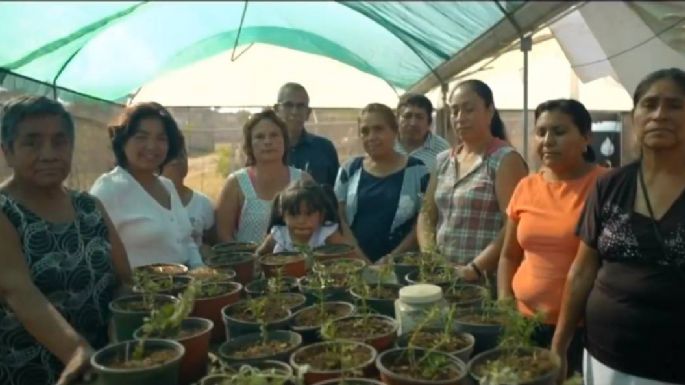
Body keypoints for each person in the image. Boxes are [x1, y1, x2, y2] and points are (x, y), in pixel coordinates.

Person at [552, 68, 685, 385]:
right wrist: (559, 344)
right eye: (649, 104)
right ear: (634, 117)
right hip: (605, 357)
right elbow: (582, 271)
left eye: (675, 105)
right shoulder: (609, 186)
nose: (660, 114)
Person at [0, 96, 131, 385]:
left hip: (103, 366)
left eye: (59, 142)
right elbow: (18, 291)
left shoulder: (90, 207)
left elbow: (124, 279)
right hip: (37, 372)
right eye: (32, 143)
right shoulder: (6, 212)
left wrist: (118, 326)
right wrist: (75, 349)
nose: (48, 154)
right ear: (7, 152)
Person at [497, 99, 606, 376]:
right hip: (524, 322)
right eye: (541, 132)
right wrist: (505, 305)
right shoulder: (526, 186)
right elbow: (509, 255)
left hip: (582, 329)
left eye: (559, 132)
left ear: (585, 138)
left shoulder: (606, 185)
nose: (547, 141)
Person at [417, 79, 528, 282]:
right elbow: (426, 213)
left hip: (483, 281)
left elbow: (513, 225)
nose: (460, 118)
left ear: (490, 111)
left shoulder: (504, 159)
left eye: (468, 110)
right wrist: (430, 255)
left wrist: (474, 268)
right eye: (454, 111)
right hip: (440, 277)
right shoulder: (443, 160)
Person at [90, 102, 204, 269]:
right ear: (123, 141)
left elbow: (186, 241)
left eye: (161, 138)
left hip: (186, 289)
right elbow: (96, 253)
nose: (152, 146)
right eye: (141, 137)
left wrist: (201, 270)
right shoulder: (109, 189)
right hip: (142, 292)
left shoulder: (167, 186)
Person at [335, 103, 430, 263]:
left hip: (404, 266)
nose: (371, 137)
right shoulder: (349, 170)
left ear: (394, 131)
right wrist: (361, 259)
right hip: (356, 265)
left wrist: (392, 259)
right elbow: (340, 219)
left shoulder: (417, 170)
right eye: (365, 131)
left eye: (378, 129)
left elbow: (423, 222)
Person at [216, 109, 311, 244]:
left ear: (285, 140)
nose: (268, 142)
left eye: (274, 135)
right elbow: (223, 234)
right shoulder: (236, 183)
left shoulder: (303, 180)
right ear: (249, 145)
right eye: (260, 137)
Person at [256, 179, 347, 255]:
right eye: (294, 215)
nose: (301, 221)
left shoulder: (326, 233)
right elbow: (258, 256)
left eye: (309, 214)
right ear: (283, 215)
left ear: (321, 215)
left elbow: (349, 257)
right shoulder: (279, 235)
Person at [274, 82, 340, 186]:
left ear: (308, 112)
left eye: (300, 106)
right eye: (288, 105)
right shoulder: (267, 148)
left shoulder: (325, 148)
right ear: (277, 110)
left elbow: (335, 193)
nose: (294, 111)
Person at [160, 134, 215, 249]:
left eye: (181, 155)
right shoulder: (144, 203)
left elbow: (211, 243)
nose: (176, 161)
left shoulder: (203, 203)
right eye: (170, 156)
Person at [395, 93, 451, 172]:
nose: (413, 123)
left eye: (419, 117)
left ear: (429, 122)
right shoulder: (386, 144)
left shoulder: (442, 149)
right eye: (407, 116)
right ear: (397, 119)